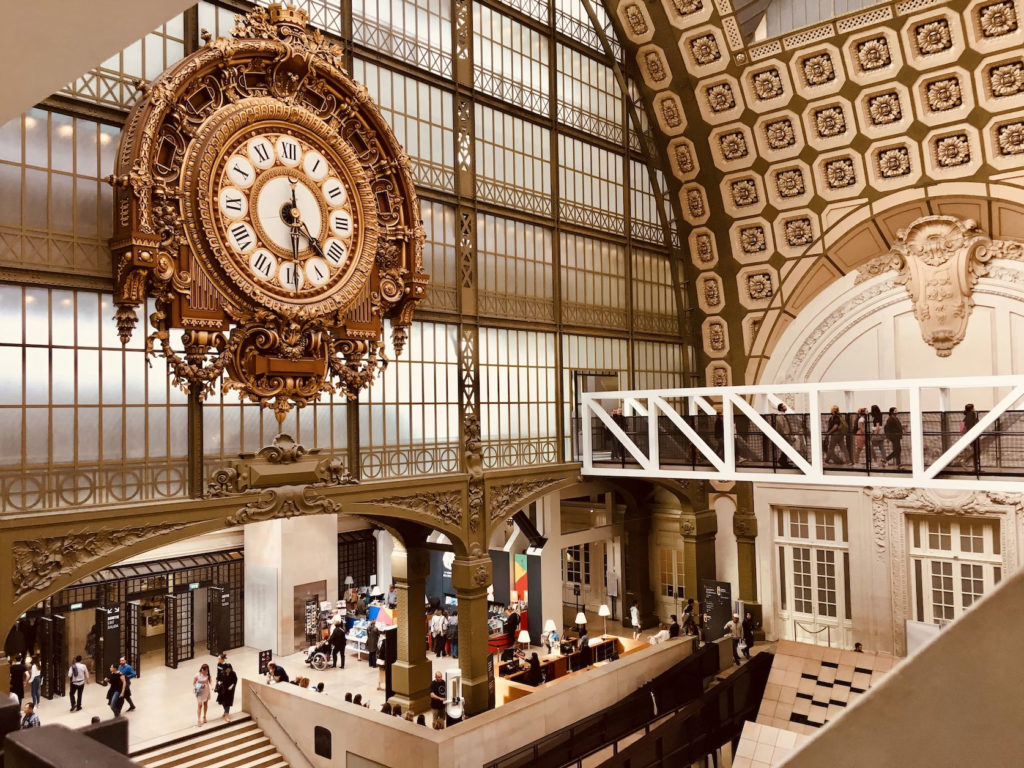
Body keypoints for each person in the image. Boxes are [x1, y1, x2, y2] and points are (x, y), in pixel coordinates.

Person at [960, 403, 980, 471]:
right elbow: (975, 425)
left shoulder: (966, 417)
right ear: (971, 409)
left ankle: (975, 468)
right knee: (976, 450)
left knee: (975, 450)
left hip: (969, 435)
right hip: (973, 435)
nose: (974, 409)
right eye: (974, 408)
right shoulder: (972, 415)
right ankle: (965, 460)